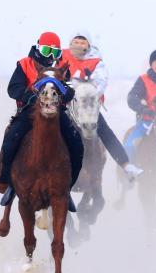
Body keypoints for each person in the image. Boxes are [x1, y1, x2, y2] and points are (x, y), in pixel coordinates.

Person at [0, 31, 83, 212]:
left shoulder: (61, 69)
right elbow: (13, 89)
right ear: (38, 48)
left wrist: (64, 94)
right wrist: (31, 96)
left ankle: (67, 189)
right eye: (46, 51)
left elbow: (69, 92)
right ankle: (10, 184)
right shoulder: (24, 64)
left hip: (55, 113)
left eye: (55, 53)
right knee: (12, 137)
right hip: (29, 112)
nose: (50, 57)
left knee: (76, 141)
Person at [60, 31, 143, 181]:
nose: (79, 45)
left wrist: (85, 89)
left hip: (88, 105)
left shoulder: (96, 61)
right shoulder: (61, 57)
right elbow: (55, 76)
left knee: (105, 131)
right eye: (76, 41)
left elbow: (101, 82)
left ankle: (126, 165)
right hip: (65, 103)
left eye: (83, 42)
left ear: (89, 44)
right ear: (70, 43)